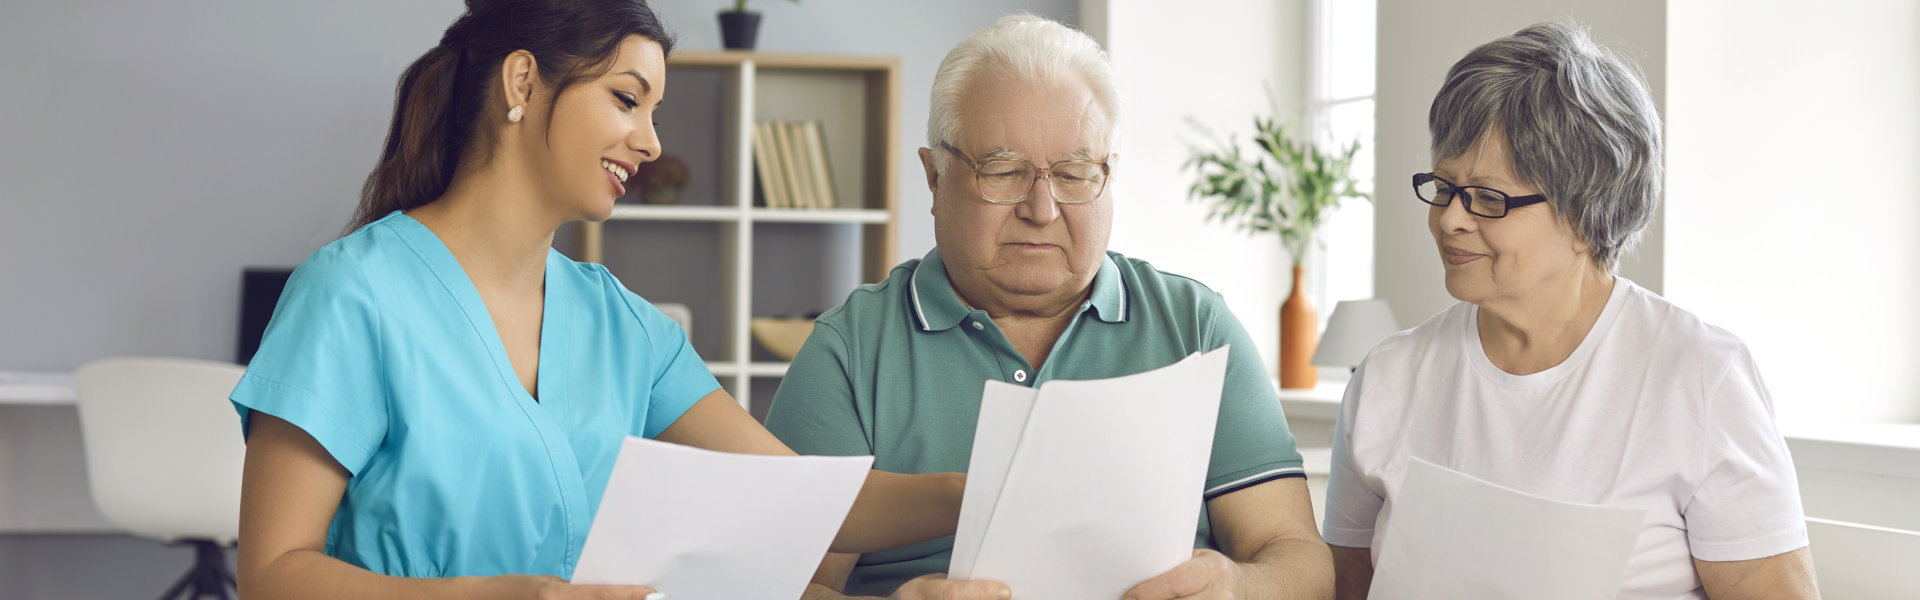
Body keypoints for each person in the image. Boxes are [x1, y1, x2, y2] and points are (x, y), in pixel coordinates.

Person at [230, 2, 963, 598]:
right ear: (522, 84)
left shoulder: (625, 326)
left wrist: (973, 493)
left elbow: (798, 498)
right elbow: (271, 574)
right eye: (626, 99)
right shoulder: (353, 294)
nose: (649, 143)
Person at [765, 14, 1332, 600]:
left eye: (1075, 173)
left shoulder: (1195, 325)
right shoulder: (850, 350)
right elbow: (775, 583)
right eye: (1004, 171)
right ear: (934, 177)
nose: (1042, 207)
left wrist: (1239, 587)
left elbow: (1298, 559)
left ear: (1110, 178)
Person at [1322, 22, 1817, 600]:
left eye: (1488, 197)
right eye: (1444, 185)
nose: (1451, 218)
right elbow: (1345, 583)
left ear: (1586, 215)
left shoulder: (1701, 376)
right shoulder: (1386, 376)